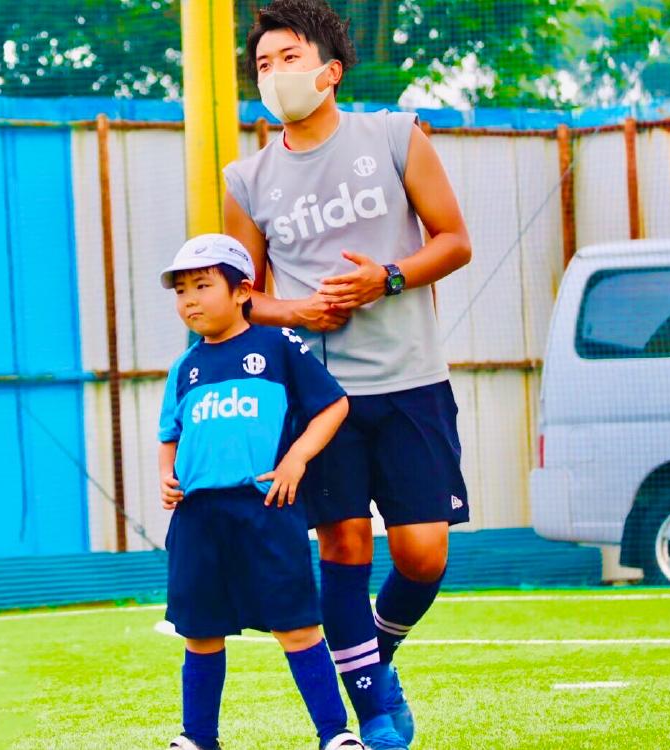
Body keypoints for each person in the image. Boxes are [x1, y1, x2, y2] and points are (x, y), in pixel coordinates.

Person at [223, 2, 473, 749]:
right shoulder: (247, 179)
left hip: (411, 380)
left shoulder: (395, 137)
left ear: (329, 71)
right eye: (263, 65)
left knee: (423, 552)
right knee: (343, 549)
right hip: (321, 398)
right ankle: (372, 715)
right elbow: (241, 296)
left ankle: (375, 658)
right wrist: (298, 309)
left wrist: (385, 278)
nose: (275, 75)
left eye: (290, 59)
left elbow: (454, 241)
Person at [157, 233, 363, 750]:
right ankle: (197, 737)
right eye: (181, 291)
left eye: (202, 286)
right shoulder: (184, 368)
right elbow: (169, 433)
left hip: (267, 509)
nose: (190, 300)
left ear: (242, 291)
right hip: (198, 517)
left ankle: (336, 734)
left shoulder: (277, 345)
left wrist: (296, 459)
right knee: (200, 632)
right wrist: (166, 475)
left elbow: (333, 405)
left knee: (296, 626)